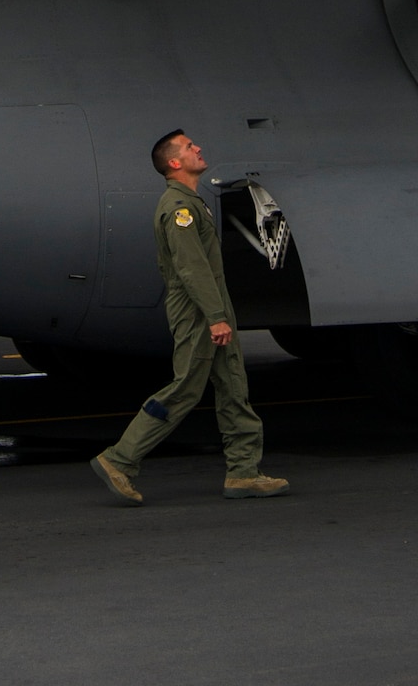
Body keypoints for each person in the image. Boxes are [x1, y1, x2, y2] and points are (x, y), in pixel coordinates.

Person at [90, 129, 290, 504]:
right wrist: (215, 316)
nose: (198, 148)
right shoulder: (178, 209)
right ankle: (119, 459)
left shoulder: (192, 203)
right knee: (185, 389)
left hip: (212, 307)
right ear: (175, 163)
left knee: (233, 388)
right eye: (188, 147)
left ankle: (244, 472)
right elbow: (191, 268)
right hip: (199, 311)